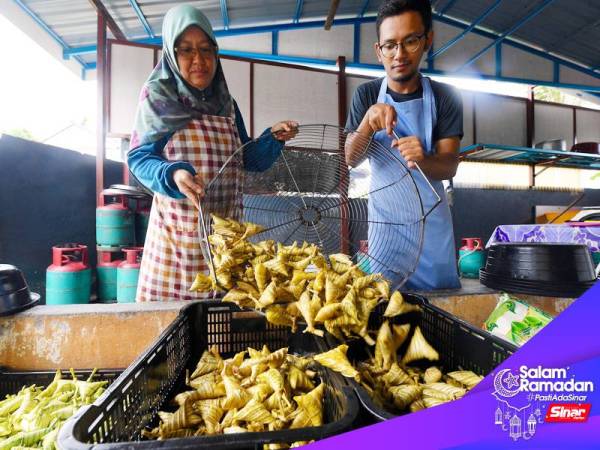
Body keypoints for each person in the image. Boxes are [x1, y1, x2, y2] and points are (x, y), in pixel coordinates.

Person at [128, 4, 297, 301]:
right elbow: (139, 159)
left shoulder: (227, 105)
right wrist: (173, 173)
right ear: (171, 52)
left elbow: (246, 158)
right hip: (177, 249)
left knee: (221, 334)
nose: (199, 60)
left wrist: (272, 139)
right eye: (186, 50)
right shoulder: (159, 99)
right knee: (176, 333)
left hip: (227, 246)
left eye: (206, 50)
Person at [345, 0, 462, 291]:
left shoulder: (445, 97)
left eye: (410, 41)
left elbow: (450, 165)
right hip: (387, 231)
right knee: (388, 312)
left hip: (432, 232)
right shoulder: (367, 94)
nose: (399, 54)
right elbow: (350, 158)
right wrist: (367, 124)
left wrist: (424, 159)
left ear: (427, 40)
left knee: (439, 315)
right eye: (390, 45)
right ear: (379, 50)